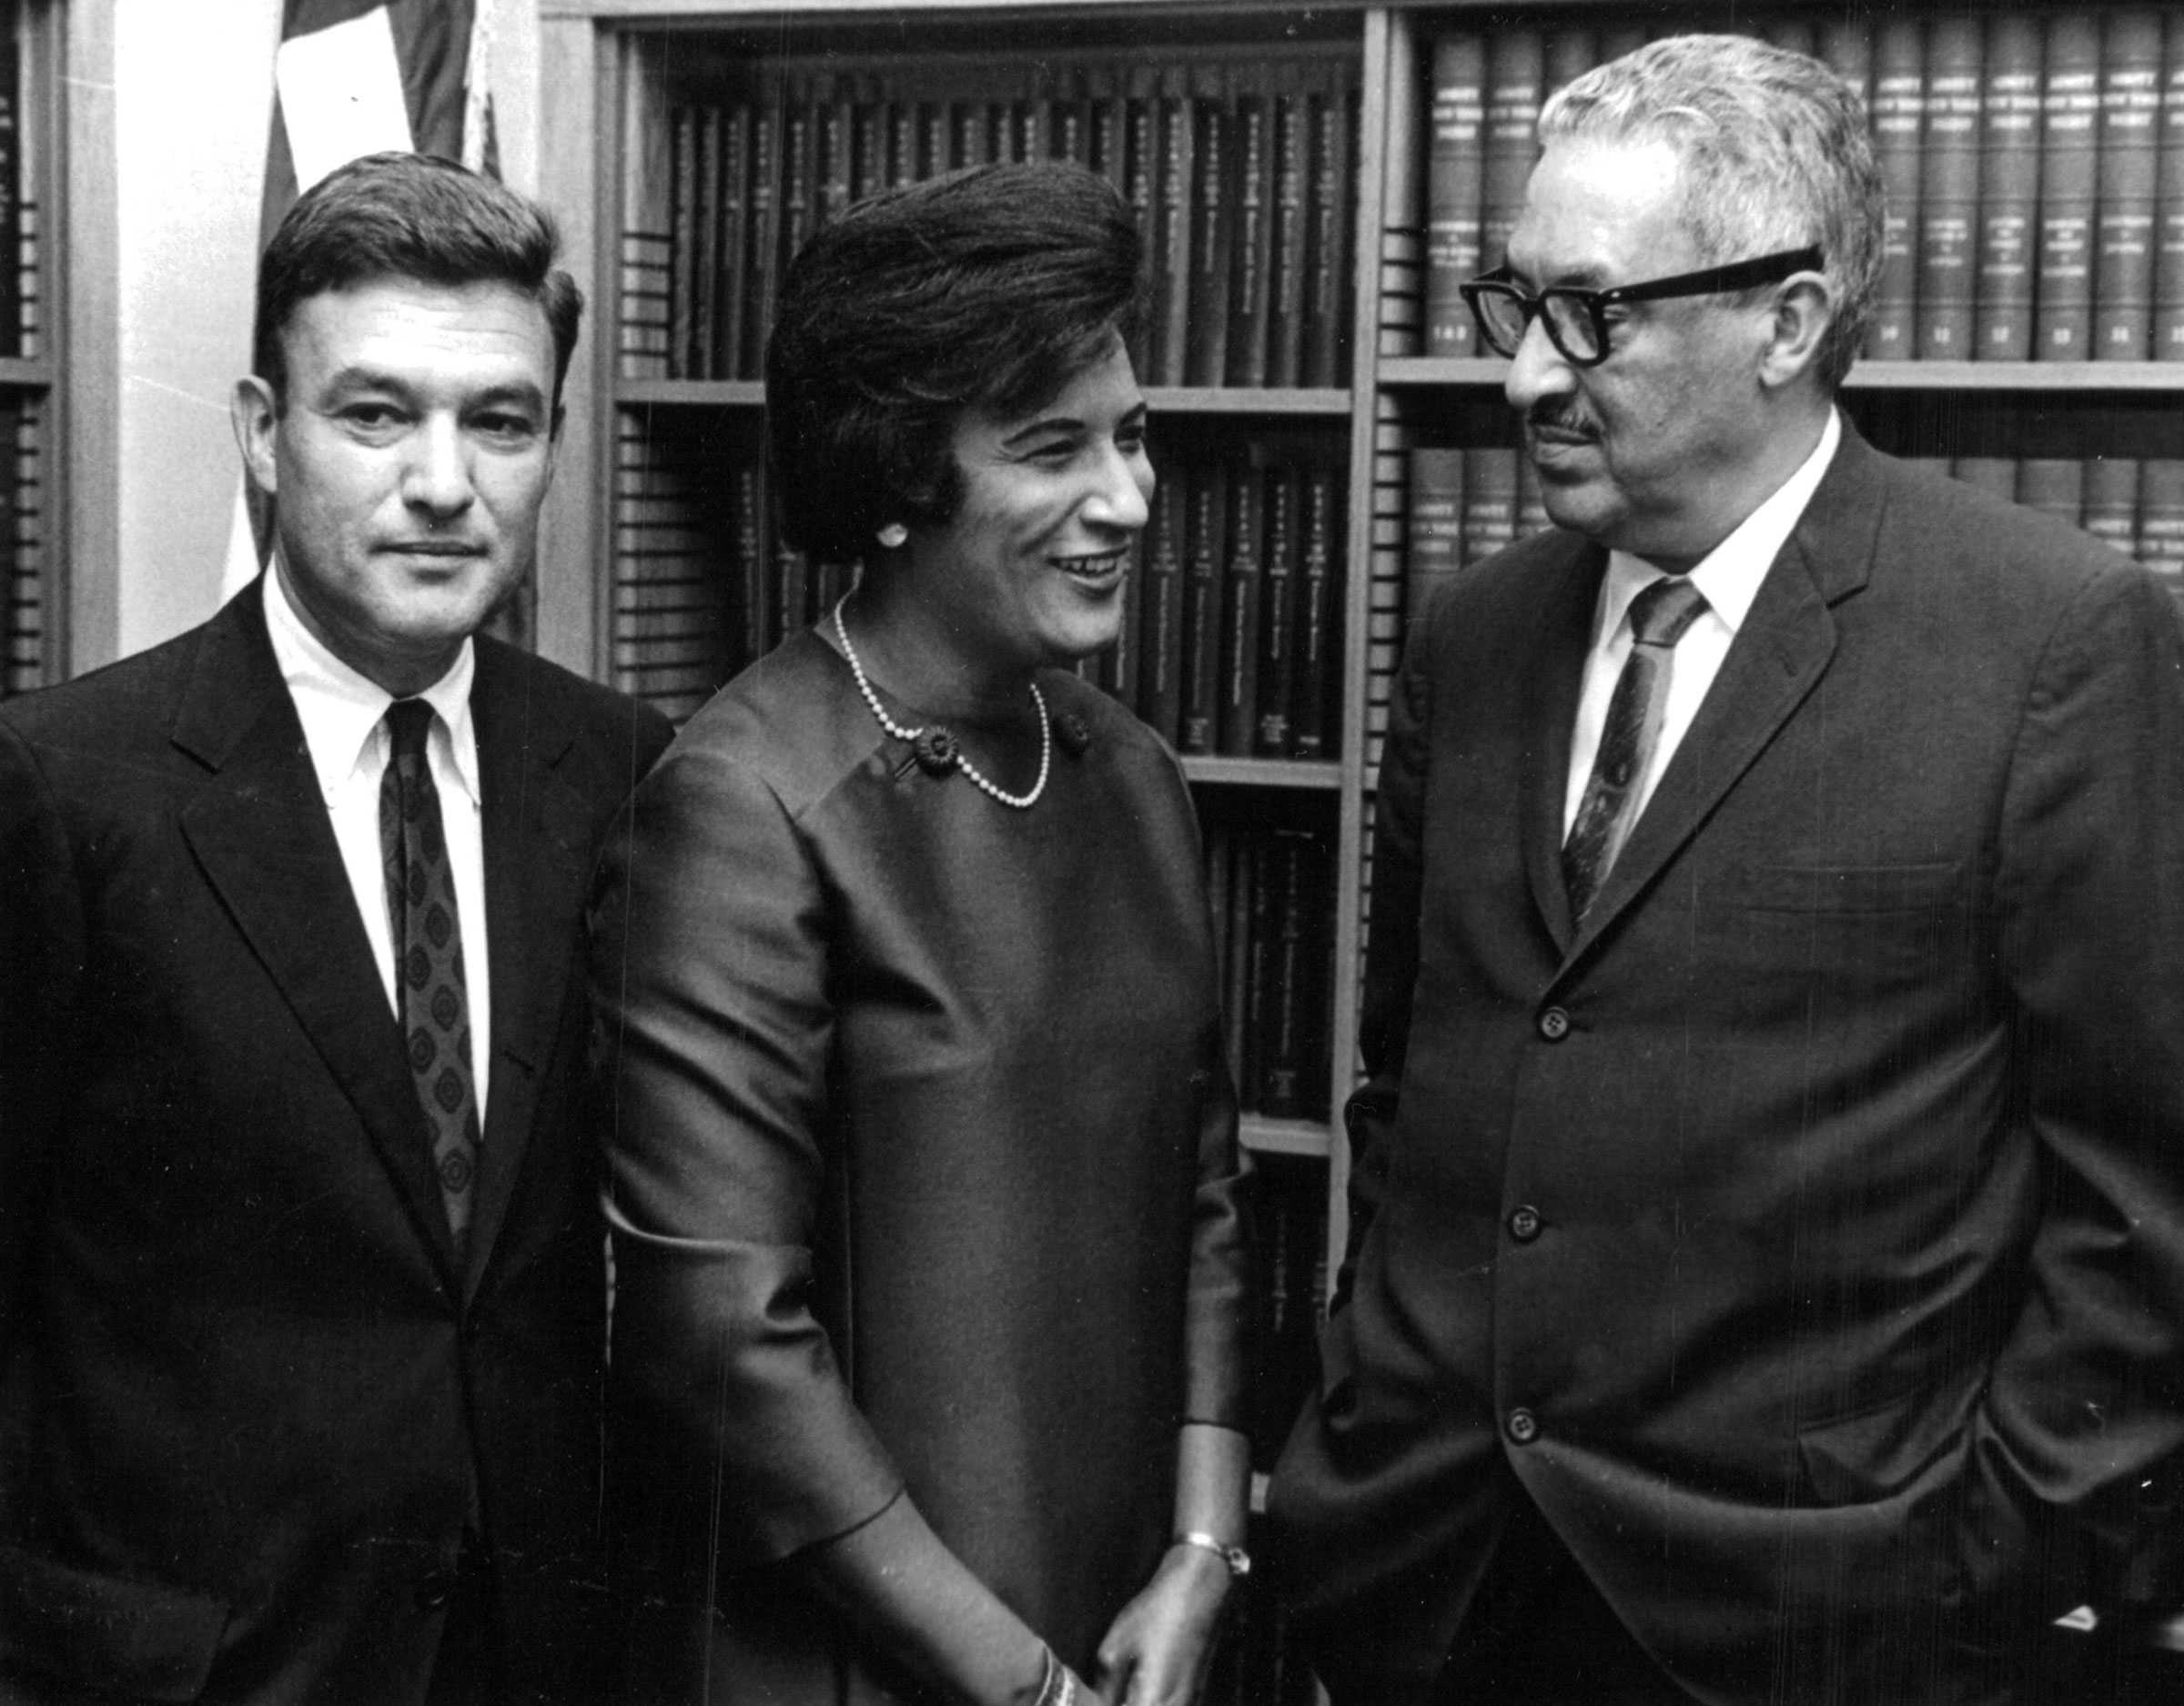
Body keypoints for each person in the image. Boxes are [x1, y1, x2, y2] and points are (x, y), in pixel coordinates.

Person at [1269, 34, 2184, 1706]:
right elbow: (1417, 1082)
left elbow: (2142, 1200)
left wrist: (1984, 1562)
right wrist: (1360, 1415)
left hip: (1818, 1625)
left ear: (1789, 320)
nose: (1527, 380)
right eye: (1515, 304)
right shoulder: (1475, 638)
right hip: (1431, 1587)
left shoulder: (2052, 641)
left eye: (1594, 316)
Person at [0, 152, 673, 1703]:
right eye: (376, 413)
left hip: (541, 1662)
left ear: (555, 441)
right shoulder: (60, 789)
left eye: (500, 421)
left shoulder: (631, 776)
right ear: (259, 432)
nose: (445, 481)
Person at [590, 160, 1250, 1706]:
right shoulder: (745, 803)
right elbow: (722, 1341)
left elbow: (1205, 1189)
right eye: (1053, 451)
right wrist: (1012, 1683)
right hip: (863, 1657)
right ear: (895, 479)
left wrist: (1205, 1552)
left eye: (1133, 438)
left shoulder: (1132, 775)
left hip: (1124, 1620)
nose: (1128, 501)